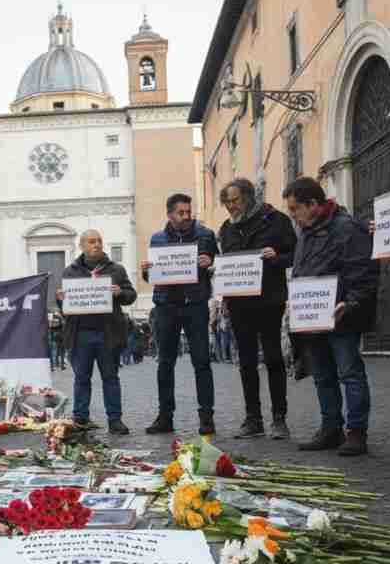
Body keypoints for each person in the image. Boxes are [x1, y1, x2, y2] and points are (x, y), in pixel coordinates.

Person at [284, 177, 378, 456]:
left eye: (294, 209)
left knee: (349, 372)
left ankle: (356, 432)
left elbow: (363, 271)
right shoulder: (305, 232)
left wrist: (350, 302)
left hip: (340, 315)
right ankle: (331, 428)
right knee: (322, 375)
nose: (293, 216)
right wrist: (296, 299)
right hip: (312, 317)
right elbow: (302, 270)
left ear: (313, 204)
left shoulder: (347, 228)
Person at [217, 179, 298, 439]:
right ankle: (253, 419)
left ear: (249, 197)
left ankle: (279, 419)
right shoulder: (226, 229)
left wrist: (277, 258)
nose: (231, 206)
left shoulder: (276, 220)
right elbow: (226, 263)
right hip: (239, 304)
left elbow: (295, 254)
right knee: (247, 362)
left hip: (269, 300)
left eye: (235, 200)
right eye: (227, 202)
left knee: (274, 358)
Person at [140, 193, 219, 435]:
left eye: (188, 212)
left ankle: (206, 417)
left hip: (195, 304)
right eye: (181, 213)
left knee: (202, 362)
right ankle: (165, 416)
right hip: (166, 306)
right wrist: (146, 271)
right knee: (165, 362)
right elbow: (152, 277)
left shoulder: (205, 235)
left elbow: (220, 267)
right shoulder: (157, 239)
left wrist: (211, 263)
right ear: (170, 214)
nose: (186, 217)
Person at [56, 230, 137, 435]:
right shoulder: (70, 272)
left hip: (107, 333)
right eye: (92, 242)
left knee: (110, 377)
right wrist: (60, 298)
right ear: (82, 246)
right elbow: (64, 306)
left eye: (100, 241)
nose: (97, 245)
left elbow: (131, 295)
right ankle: (81, 418)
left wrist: (120, 293)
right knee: (81, 378)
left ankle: (115, 420)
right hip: (80, 333)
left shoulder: (116, 270)